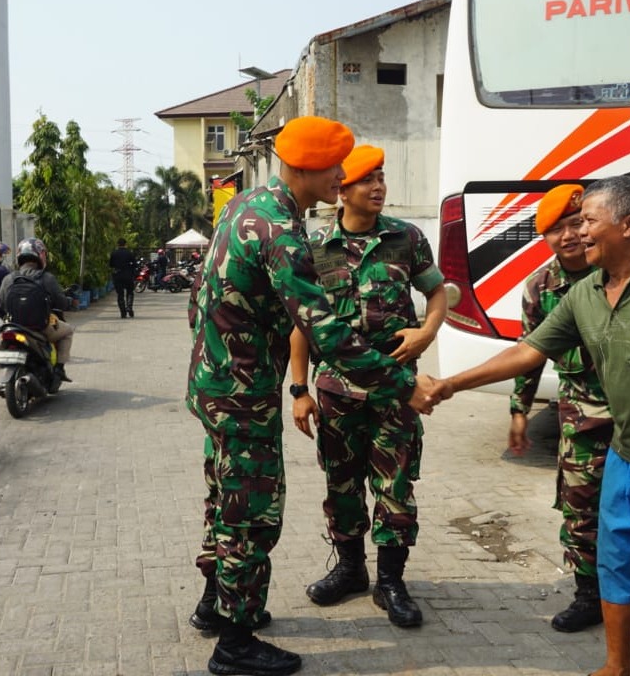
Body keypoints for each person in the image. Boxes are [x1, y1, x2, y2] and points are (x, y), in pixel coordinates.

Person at [435, 175, 630, 676]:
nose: (578, 232)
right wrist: (450, 384)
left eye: (587, 221)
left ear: (629, 225)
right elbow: (528, 351)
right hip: (627, 462)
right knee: (617, 570)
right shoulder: (583, 293)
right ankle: (617, 666)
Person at [187, 116, 441, 676]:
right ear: (307, 168)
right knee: (251, 514)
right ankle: (235, 640)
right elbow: (327, 334)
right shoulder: (282, 230)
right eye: (336, 168)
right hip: (243, 393)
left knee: (223, 497)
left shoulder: (245, 204)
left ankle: (214, 602)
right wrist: (405, 383)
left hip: (216, 383)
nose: (341, 177)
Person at [289, 145, 446, 628]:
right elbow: (301, 324)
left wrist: (428, 330)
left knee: (395, 485)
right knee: (342, 485)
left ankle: (392, 582)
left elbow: (437, 291)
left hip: (395, 392)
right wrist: (299, 390)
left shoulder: (407, 238)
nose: (378, 187)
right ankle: (352, 570)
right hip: (336, 392)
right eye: (366, 180)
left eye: (382, 178)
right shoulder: (312, 248)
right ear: (342, 190)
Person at [509, 184, 613, 633]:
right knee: (581, 507)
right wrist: (519, 410)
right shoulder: (540, 288)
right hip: (580, 414)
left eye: (577, 224)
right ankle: (589, 596)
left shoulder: (615, 272)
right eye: (558, 229)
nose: (570, 236)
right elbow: (529, 351)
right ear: (544, 238)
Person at [0, 237, 75, 382]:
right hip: (41, 327)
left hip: (13, 326)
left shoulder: (8, 278)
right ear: (41, 255)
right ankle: (59, 368)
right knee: (68, 331)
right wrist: (67, 303)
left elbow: (1, 303)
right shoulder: (47, 278)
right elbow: (62, 303)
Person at [109, 237, 136, 318]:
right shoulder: (129, 253)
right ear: (125, 244)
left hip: (118, 275)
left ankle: (123, 312)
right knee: (130, 292)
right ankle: (129, 307)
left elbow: (111, 265)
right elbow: (134, 264)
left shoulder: (114, 253)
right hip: (128, 275)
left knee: (120, 294)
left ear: (118, 244)